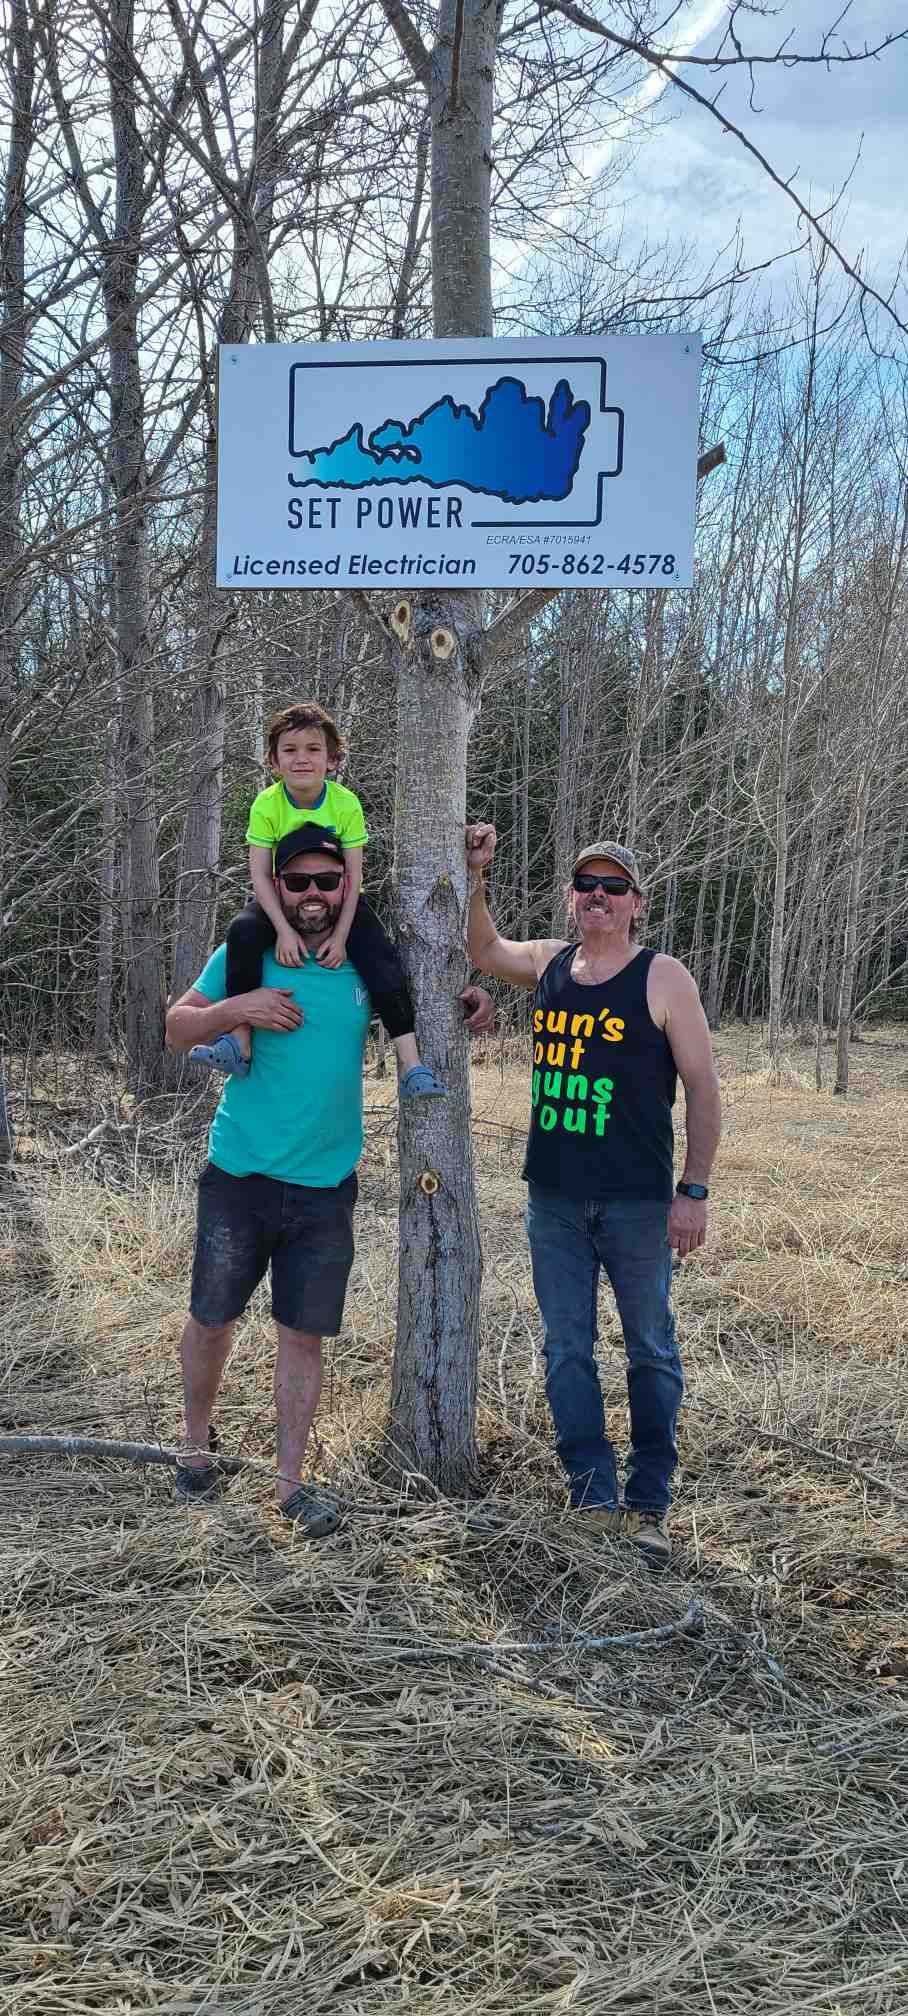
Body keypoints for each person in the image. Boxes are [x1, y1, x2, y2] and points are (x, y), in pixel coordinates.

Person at [166, 825, 494, 1534]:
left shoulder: (360, 959)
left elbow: (421, 989)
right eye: (297, 883)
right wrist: (238, 1010)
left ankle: (289, 1486)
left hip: (325, 1186)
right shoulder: (246, 952)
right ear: (276, 888)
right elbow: (176, 1028)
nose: (312, 895)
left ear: (347, 889)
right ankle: (195, 1447)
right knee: (212, 1319)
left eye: (327, 882)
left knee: (302, 1336)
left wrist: (468, 999)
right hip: (239, 1174)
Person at [464, 824, 721, 1568]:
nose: (597, 897)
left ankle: (648, 1502)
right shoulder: (550, 964)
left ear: (636, 903)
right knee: (567, 1349)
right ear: (573, 898)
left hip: (639, 1202)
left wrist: (693, 1191)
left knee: (650, 1348)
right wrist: (475, 873)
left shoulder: (663, 977)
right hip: (554, 1200)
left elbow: (703, 1087)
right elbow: (487, 951)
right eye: (587, 886)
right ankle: (590, 1490)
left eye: (613, 888)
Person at [190, 699, 446, 1100]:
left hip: (339, 897)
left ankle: (411, 1065)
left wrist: (342, 936)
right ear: (274, 761)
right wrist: (282, 931)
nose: (302, 759)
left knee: (380, 957)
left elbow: (354, 875)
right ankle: (238, 1043)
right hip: (282, 896)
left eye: (313, 750)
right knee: (241, 932)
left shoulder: (344, 804)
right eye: (290, 751)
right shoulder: (267, 804)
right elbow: (260, 874)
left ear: (332, 759)